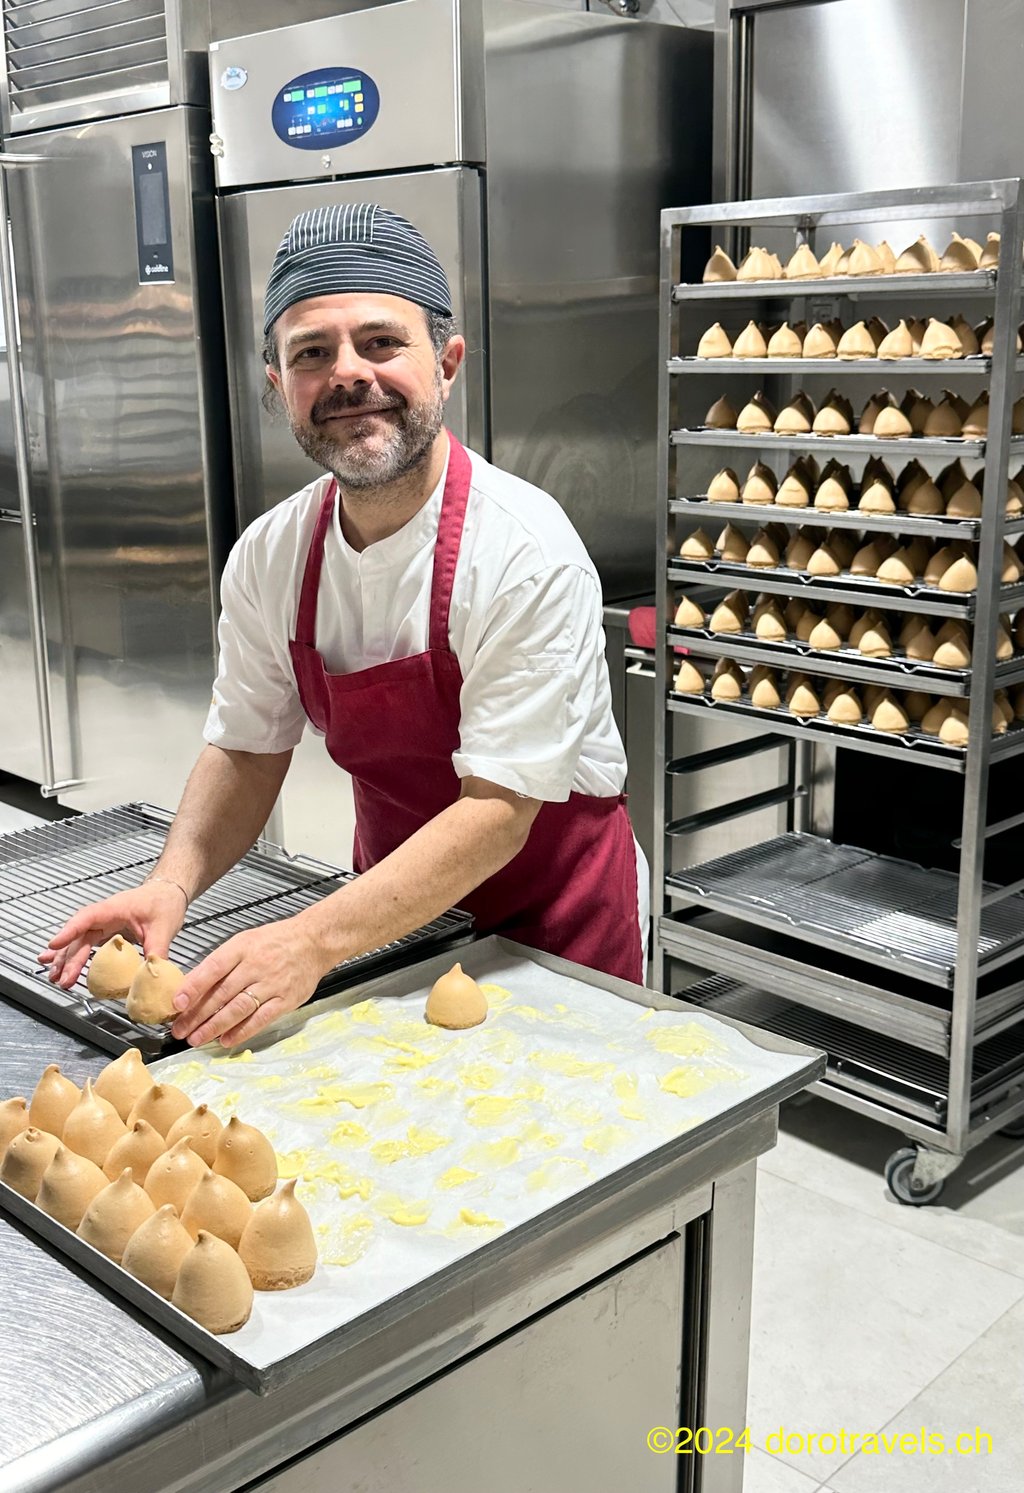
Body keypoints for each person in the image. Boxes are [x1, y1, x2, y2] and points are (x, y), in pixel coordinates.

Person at [40, 203, 648, 1047]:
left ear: (447, 362)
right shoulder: (272, 556)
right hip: (387, 917)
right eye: (312, 353)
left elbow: (498, 811)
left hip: (552, 925)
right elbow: (249, 748)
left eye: (381, 342)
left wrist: (309, 940)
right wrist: (171, 887)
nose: (348, 374)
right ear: (275, 383)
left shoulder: (523, 550)